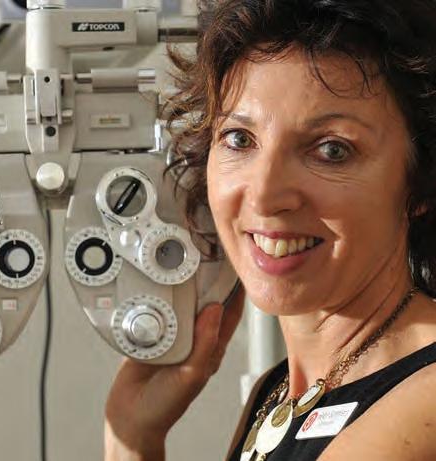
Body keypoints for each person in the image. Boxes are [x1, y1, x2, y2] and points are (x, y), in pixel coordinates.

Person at [104, 1, 436, 460]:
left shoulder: (425, 399)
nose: (263, 195)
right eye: (239, 139)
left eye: (331, 150)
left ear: (420, 182)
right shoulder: (278, 391)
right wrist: (134, 434)